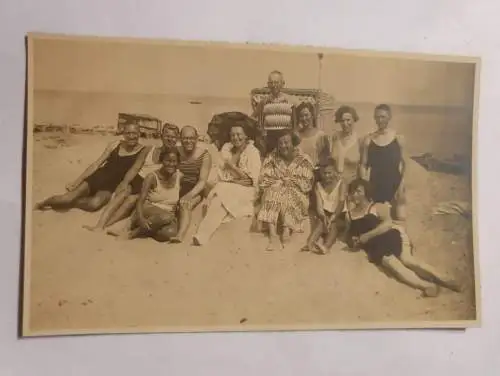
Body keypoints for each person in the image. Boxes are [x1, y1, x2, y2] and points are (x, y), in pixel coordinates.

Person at [344, 178, 461, 297]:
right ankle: (426, 286)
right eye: (353, 192)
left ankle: (445, 279)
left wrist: (367, 236)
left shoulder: (376, 207)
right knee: (394, 266)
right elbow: (348, 235)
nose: (355, 195)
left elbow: (387, 224)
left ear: (366, 193)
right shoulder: (350, 215)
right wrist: (354, 241)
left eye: (359, 191)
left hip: (390, 236)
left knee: (408, 261)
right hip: (375, 246)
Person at [83, 123, 180, 232]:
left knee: (131, 200)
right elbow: (135, 167)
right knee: (121, 195)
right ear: (161, 135)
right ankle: (99, 225)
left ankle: (107, 225)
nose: (169, 139)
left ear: (176, 139)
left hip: (151, 183)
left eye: (173, 137)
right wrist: (125, 182)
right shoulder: (149, 149)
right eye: (167, 135)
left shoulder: (175, 156)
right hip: (138, 179)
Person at [34, 123, 148, 212]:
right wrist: (77, 181)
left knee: (94, 205)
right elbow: (96, 164)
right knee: (66, 198)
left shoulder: (144, 150)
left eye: (134, 133)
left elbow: (135, 170)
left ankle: (73, 203)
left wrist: (121, 188)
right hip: (97, 178)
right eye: (128, 133)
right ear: (123, 133)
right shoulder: (114, 144)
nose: (131, 136)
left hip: (110, 187)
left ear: (139, 133)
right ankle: (42, 203)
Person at [193, 123, 262, 245]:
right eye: (233, 135)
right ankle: (202, 235)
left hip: (248, 190)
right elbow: (223, 175)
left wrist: (232, 167)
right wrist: (234, 162)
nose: (236, 138)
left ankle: (202, 234)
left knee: (221, 194)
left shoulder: (253, 152)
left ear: (246, 136)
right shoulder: (227, 149)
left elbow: (251, 181)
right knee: (219, 198)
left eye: (239, 134)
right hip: (228, 187)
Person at [256, 130, 315, 251]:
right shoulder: (272, 157)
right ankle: (273, 234)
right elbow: (264, 179)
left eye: (286, 142)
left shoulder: (304, 159)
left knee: (288, 193)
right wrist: (280, 182)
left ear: (293, 143)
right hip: (275, 188)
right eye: (280, 143)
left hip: (297, 192)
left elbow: (307, 183)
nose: (283, 146)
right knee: (273, 190)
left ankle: (286, 230)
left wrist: (291, 182)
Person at [360, 104, 407, 221]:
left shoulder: (398, 138)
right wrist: (365, 186)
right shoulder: (368, 140)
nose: (380, 120)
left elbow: (405, 164)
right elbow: (363, 164)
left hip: (394, 185)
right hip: (375, 185)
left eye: (383, 117)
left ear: (389, 117)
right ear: (374, 118)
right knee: (377, 220)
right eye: (377, 117)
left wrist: (401, 186)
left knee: (399, 219)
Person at [124, 148, 182, 242]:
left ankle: (147, 229)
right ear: (161, 160)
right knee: (167, 216)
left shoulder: (180, 176)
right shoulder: (151, 177)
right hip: (149, 208)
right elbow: (140, 201)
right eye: (167, 161)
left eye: (174, 161)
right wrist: (141, 218)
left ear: (178, 162)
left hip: (167, 214)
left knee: (169, 233)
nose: (171, 164)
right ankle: (135, 232)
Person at [174, 125, 212, 242]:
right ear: (180, 139)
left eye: (191, 138)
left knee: (185, 205)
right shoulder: (176, 151)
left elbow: (202, 181)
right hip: (177, 185)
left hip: (195, 188)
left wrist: (189, 195)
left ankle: (180, 236)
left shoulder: (204, 155)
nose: (188, 141)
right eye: (185, 138)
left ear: (196, 138)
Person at [302, 158, 346, 254]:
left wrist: (333, 217)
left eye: (329, 173)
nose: (327, 176)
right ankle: (310, 243)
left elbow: (341, 203)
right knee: (320, 222)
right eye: (324, 173)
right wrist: (323, 216)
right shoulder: (318, 185)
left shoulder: (341, 183)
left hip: (339, 214)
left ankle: (326, 246)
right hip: (326, 212)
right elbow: (319, 206)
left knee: (334, 226)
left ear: (335, 172)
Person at [251, 70, 299, 155]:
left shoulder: (292, 100)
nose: (274, 85)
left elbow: (302, 116)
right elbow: (252, 118)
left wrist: (295, 134)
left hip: (286, 140)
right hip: (269, 140)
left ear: (283, 83)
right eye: (271, 83)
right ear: (268, 84)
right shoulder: (264, 102)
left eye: (276, 82)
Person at [330, 105, 363, 182]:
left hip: (352, 184)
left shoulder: (360, 139)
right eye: (342, 120)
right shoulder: (335, 137)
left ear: (354, 119)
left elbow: (362, 166)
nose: (345, 123)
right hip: (335, 183)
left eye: (348, 120)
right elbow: (331, 161)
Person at [296, 101, 328, 167]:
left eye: (306, 115)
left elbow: (325, 159)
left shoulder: (320, 135)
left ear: (312, 115)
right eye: (301, 116)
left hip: (315, 173)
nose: (304, 118)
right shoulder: (297, 136)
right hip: (299, 174)